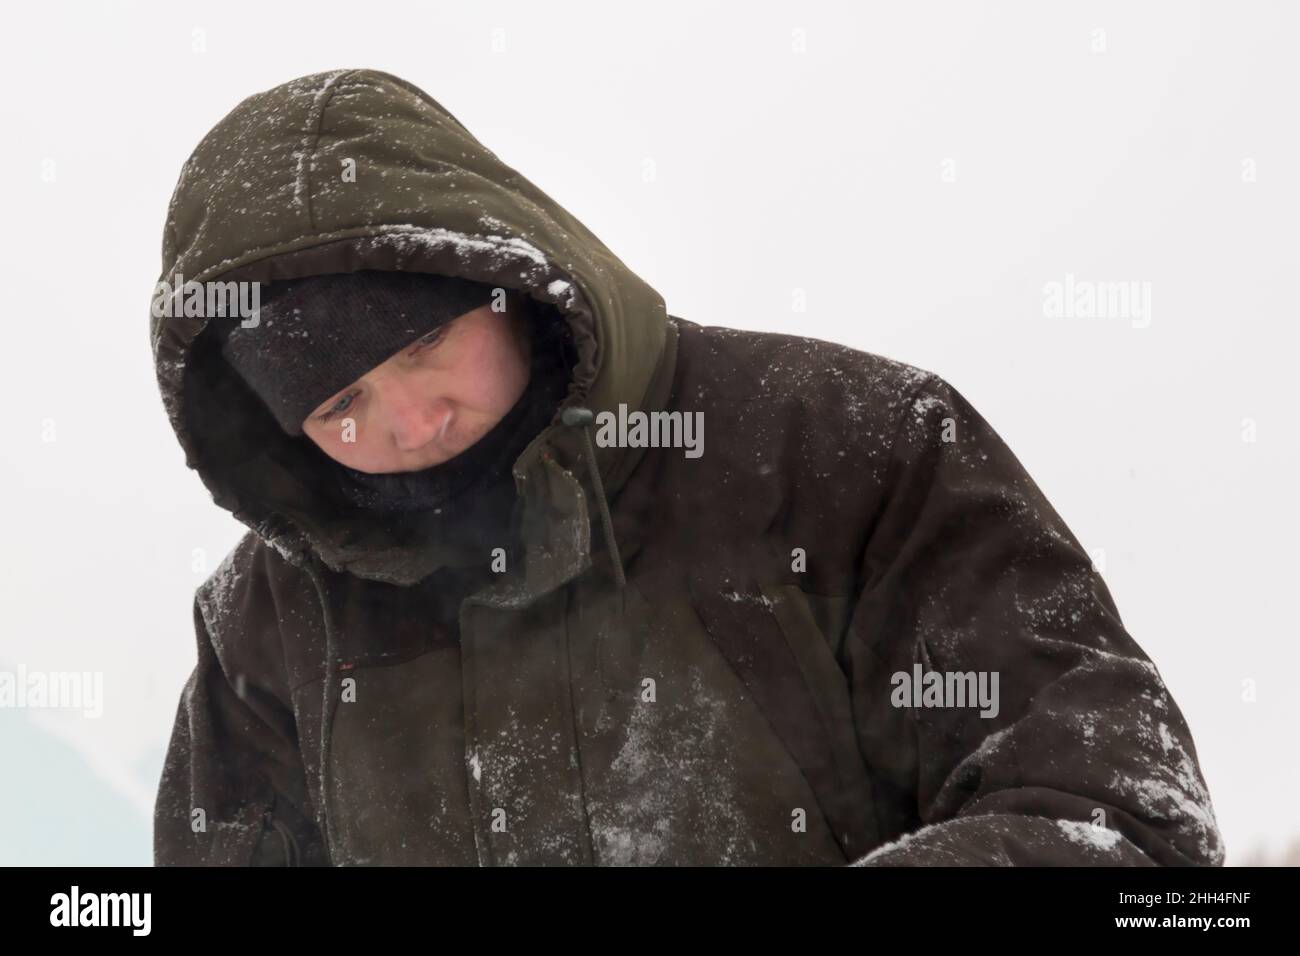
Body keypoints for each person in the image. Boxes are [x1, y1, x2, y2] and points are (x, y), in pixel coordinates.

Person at [151, 67, 1225, 866]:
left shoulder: (847, 446)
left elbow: (1123, 827)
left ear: (507, 281)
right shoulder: (270, 618)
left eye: (426, 345)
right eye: (341, 405)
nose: (414, 419)